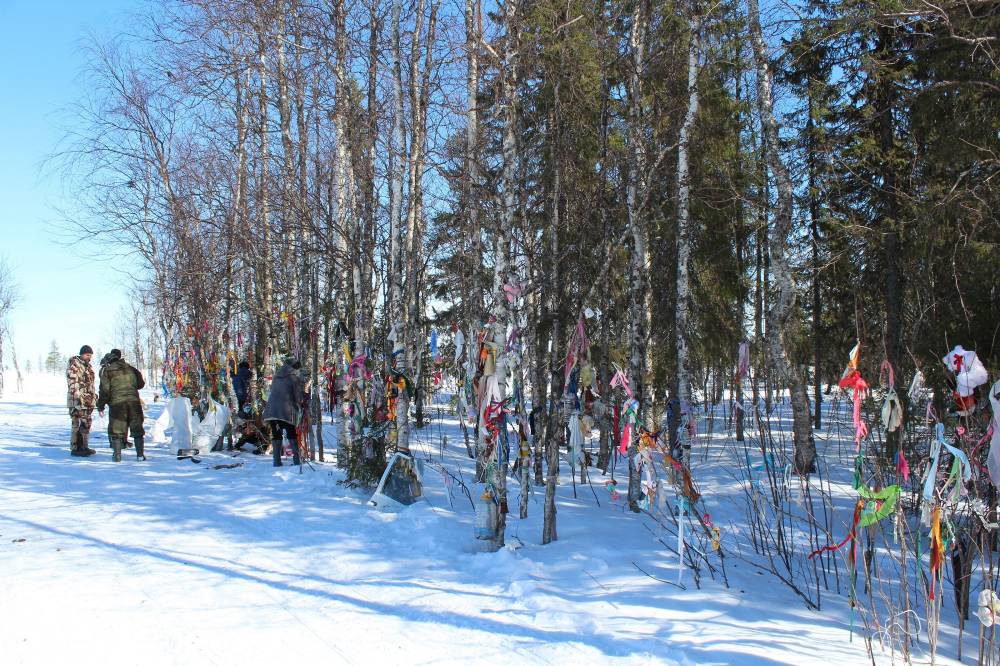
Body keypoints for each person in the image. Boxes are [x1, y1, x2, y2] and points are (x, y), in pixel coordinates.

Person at [97, 349, 146, 462]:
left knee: (117, 430)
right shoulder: (131, 368)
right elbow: (141, 384)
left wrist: (101, 405)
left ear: (108, 362)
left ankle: (117, 456)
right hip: (134, 402)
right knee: (137, 429)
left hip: (117, 403)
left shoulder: (107, 371)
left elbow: (104, 391)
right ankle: (140, 455)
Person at [262, 355, 305, 467]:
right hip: (285, 411)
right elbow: (298, 396)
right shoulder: (294, 377)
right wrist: (302, 401)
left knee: (276, 435)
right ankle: (297, 460)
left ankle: (276, 461)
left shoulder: (277, 376)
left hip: (272, 410)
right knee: (291, 433)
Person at [66, 345, 97, 457]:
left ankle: (84, 446)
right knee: (77, 423)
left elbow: (90, 384)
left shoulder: (88, 367)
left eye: (90, 355)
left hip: (87, 400)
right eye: (87, 355)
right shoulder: (74, 365)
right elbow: (73, 383)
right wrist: (78, 398)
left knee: (87, 422)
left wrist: (94, 396)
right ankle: (76, 448)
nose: (89, 357)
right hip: (77, 400)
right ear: (82, 354)